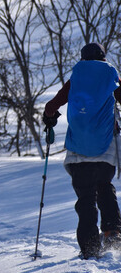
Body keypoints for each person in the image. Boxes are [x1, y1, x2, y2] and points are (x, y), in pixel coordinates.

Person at [43, 42, 121, 260]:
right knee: (105, 187)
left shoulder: (76, 78)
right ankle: (112, 233)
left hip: (78, 152)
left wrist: (49, 118)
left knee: (86, 197)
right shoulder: (110, 74)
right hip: (106, 149)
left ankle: (89, 247)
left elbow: (51, 107)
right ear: (103, 57)